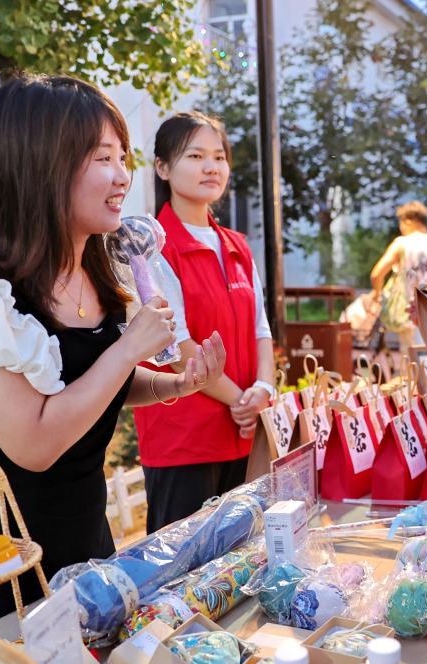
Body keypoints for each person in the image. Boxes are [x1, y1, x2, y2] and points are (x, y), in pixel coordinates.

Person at [0, 75, 225, 631]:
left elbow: (95, 385)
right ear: (41, 166)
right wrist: (129, 349)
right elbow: (34, 441)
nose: (123, 176)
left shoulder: (99, 266)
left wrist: (177, 384)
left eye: (123, 157)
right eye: (103, 157)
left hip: (82, 529)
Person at [133, 111, 276, 533]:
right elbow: (176, 348)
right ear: (162, 167)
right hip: (184, 441)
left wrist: (262, 391)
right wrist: (238, 399)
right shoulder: (153, 248)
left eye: (219, 156)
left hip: (244, 435)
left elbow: (261, 329)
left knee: (241, 563)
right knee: (181, 574)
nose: (211, 167)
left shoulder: (237, 246)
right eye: (195, 155)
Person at [369, 200, 427, 349]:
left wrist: (377, 295)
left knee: (412, 364)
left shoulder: (402, 243)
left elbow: (377, 274)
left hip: (411, 316)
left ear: (407, 221)